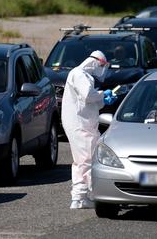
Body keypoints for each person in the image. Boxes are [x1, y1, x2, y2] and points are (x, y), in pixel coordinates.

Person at [61, 50, 117, 210]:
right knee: (88, 160)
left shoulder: (81, 76)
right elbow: (87, 95)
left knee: (81, 162)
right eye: (102, 65)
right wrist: (101, 94)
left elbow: (88, 103)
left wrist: (103, 101)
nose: (102, 69)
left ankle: (79, 197)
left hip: (82, 124)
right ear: (95, 62)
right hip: (81, 126)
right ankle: (98, 194)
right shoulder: (80, 74)